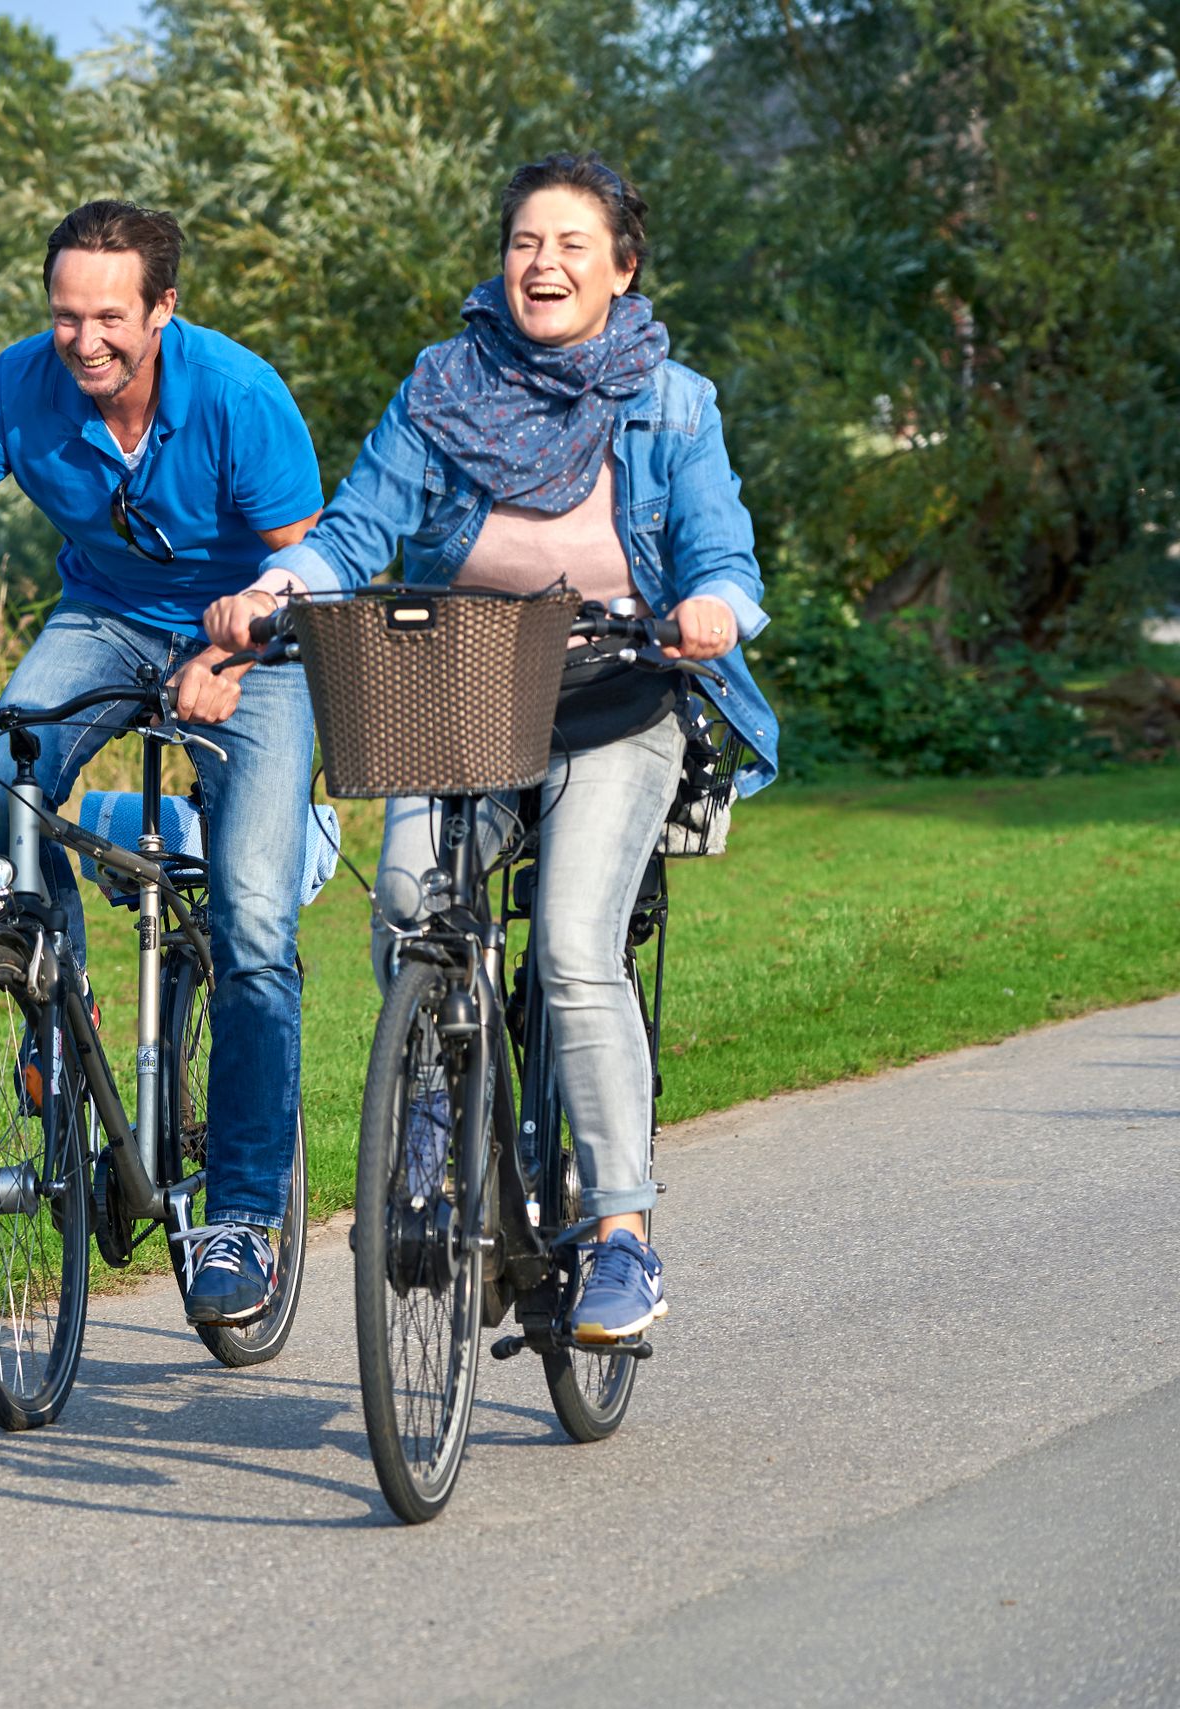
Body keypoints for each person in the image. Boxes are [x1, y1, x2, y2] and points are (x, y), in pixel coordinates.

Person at [205, 152, 783, 1343]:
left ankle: (622, 1234)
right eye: (526, 242)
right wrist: (277, 587)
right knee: (411, 906)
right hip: (457, 681)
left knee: (574, 947)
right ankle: (430, 1102)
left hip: (620, 690)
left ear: (622, 270)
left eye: (574, 245)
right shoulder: (443, 384)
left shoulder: (673, 400)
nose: (545, 264)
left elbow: (725, 552)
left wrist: (714, 606)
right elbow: (360, 525)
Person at [0, 199, 325, 1325]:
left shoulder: (241, 397)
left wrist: (231, 660)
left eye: (108, 317)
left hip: (256, 640)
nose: (83, 341)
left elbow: (313, 576)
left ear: (162, 310)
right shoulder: (15, 387)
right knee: (2, 775)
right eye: (63, 315)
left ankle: (242, 1212)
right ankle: (61, 999)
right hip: (102, 618)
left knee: (251, 923)